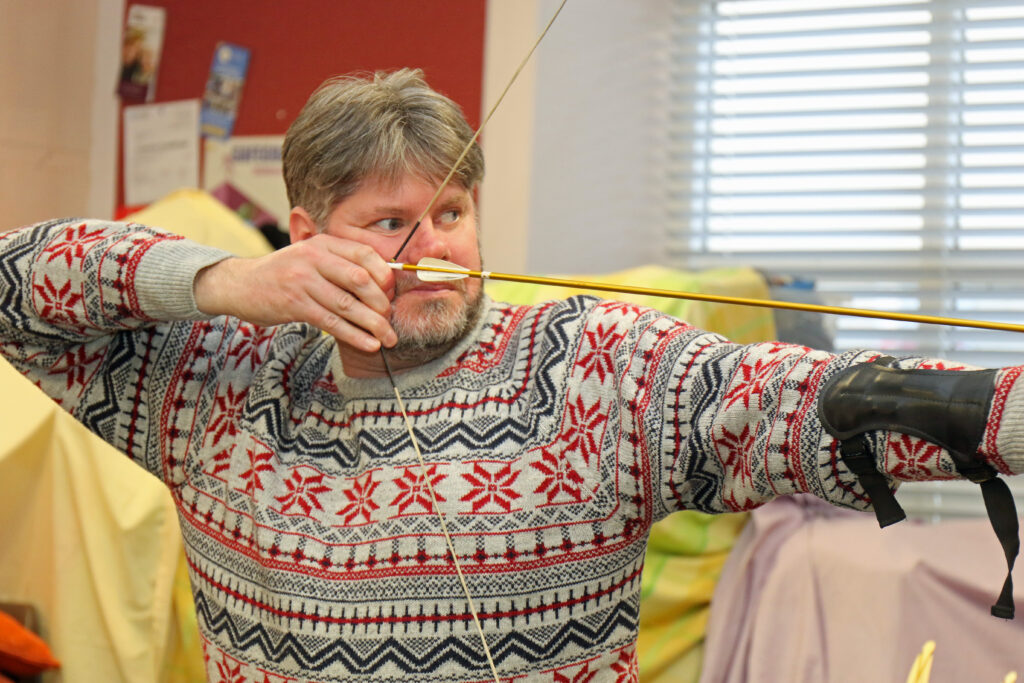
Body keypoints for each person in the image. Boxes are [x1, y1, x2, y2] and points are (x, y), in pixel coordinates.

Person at [0, 68, 1021, 683]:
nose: (434, 246)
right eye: (391, 222)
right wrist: (225, 280)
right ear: (306, 236)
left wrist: (997, 411)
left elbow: (789, 402)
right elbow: (14, 287)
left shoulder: (584, 368)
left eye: (451, 213)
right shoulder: (211, 383)